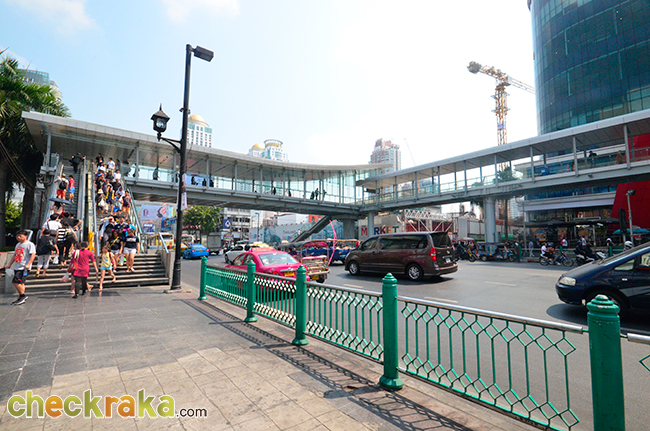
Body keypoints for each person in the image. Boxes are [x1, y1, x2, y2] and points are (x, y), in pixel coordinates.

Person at [8, 230, 36, 305]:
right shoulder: (18, 245)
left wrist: (29, 264)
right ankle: (21, 297)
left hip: (24, 267)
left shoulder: (29, 244)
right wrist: (9, 264)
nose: (18, 237)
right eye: (17, 236)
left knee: (15, 281)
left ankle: (22, 296)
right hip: (17, 266)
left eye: (20, 236)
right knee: (21, 283)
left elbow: (33, 254)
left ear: (26, 236)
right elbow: (15, 255)